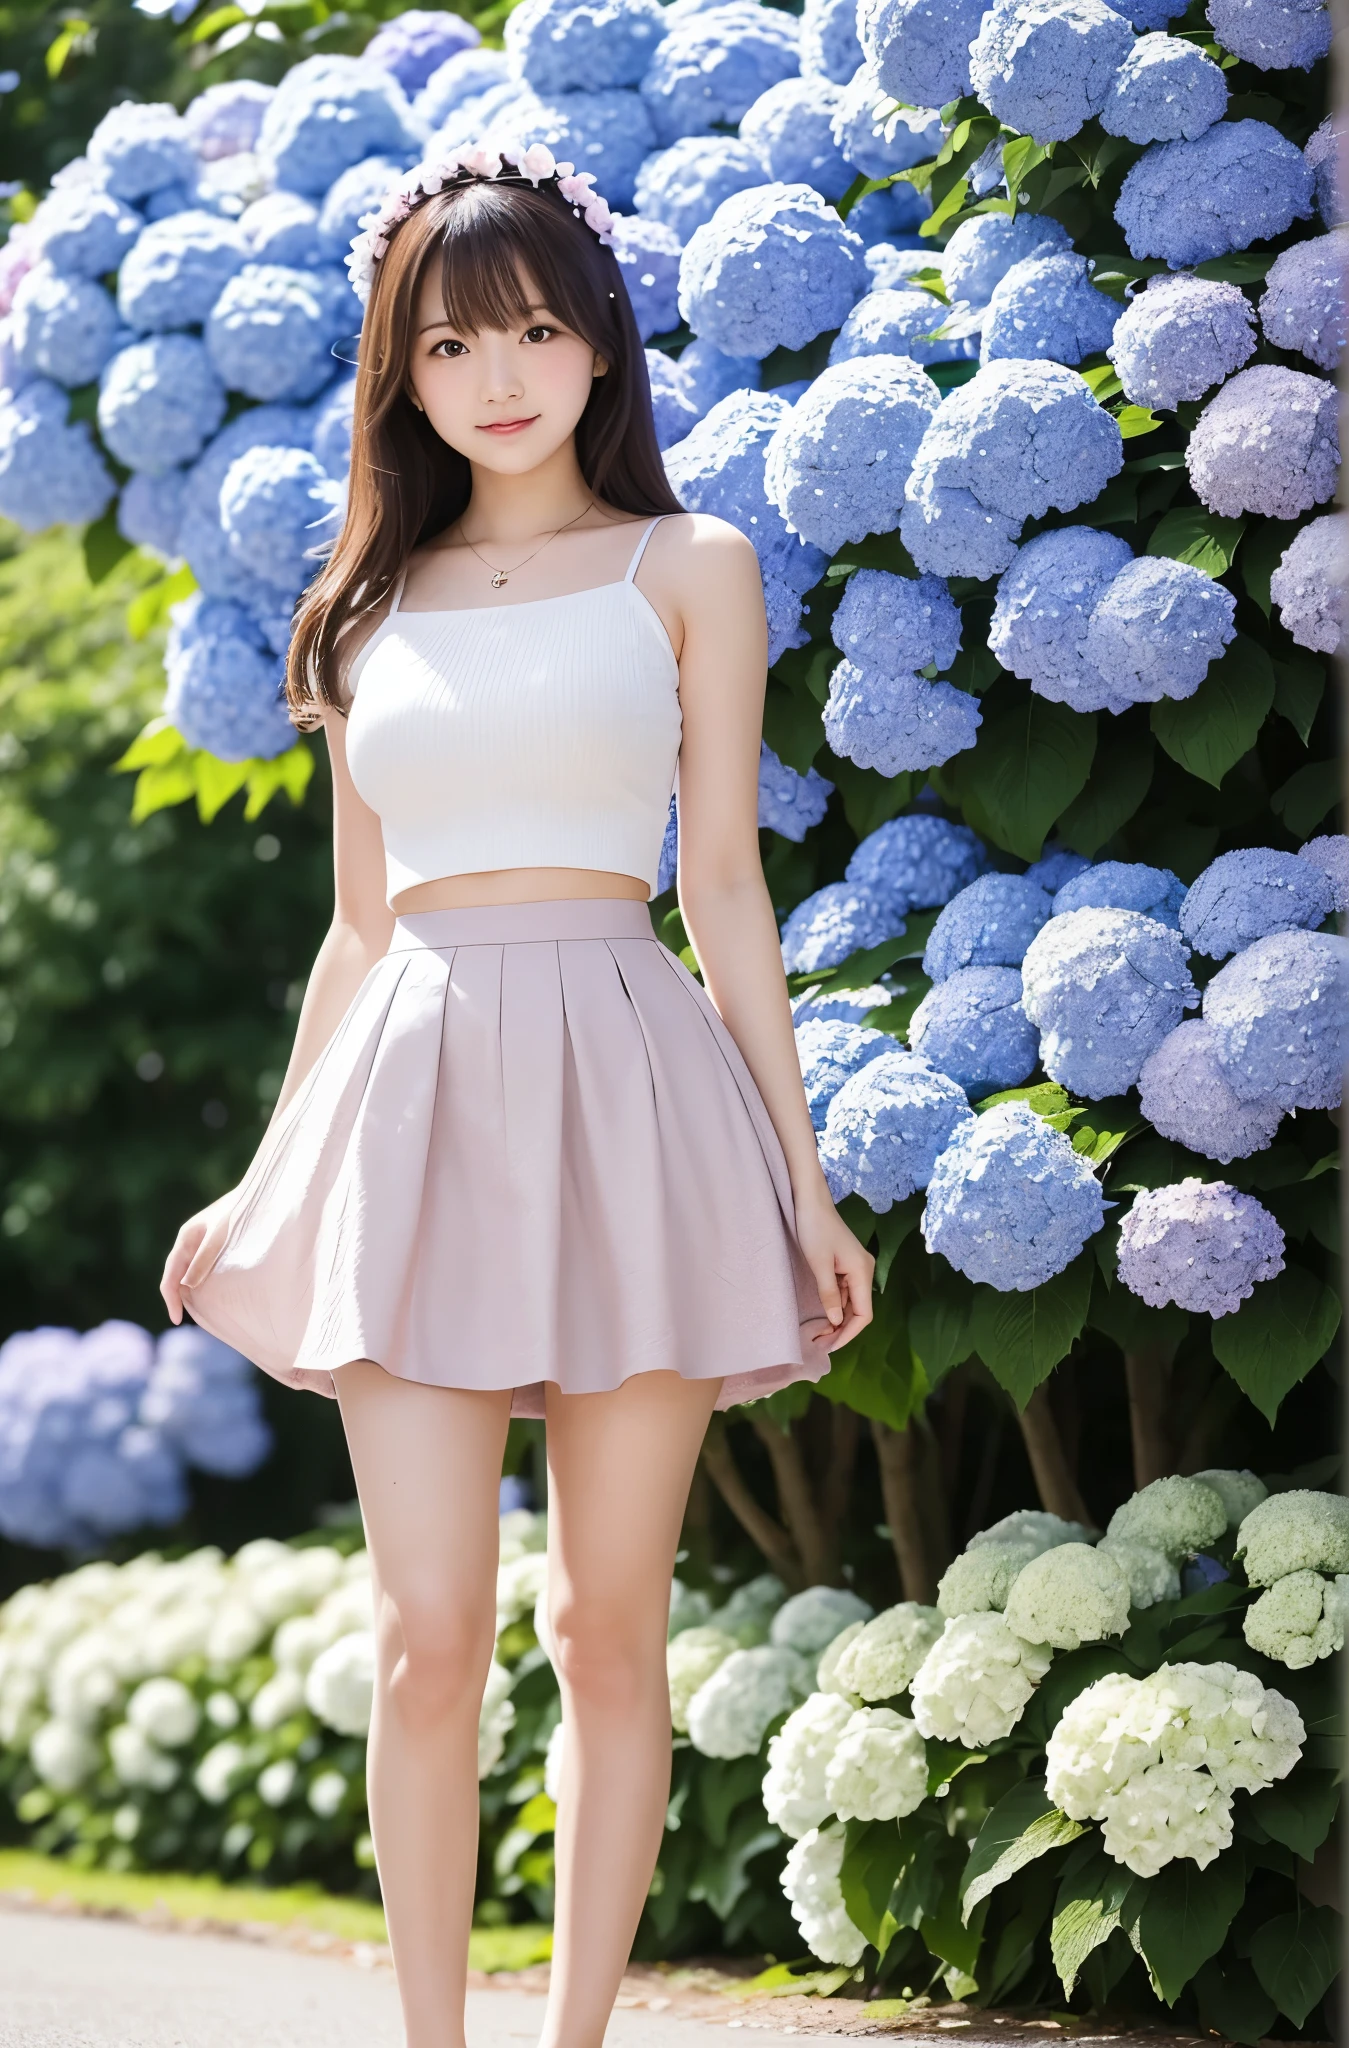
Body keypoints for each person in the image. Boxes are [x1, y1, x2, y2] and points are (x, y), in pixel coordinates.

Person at [160, 142, 873, 2048]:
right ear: (401, 368)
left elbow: (723, 883)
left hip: (635, 1089)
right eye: (457, 338)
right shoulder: (364, 607)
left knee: (605, 1625)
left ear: (600, 342)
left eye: (540, 326)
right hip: (410, 1115)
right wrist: (257, 1182)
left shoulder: (688, 565)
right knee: (427, 1640)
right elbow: (353, 933)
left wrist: (805, 1191)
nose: (502, 373)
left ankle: (574, 2039)